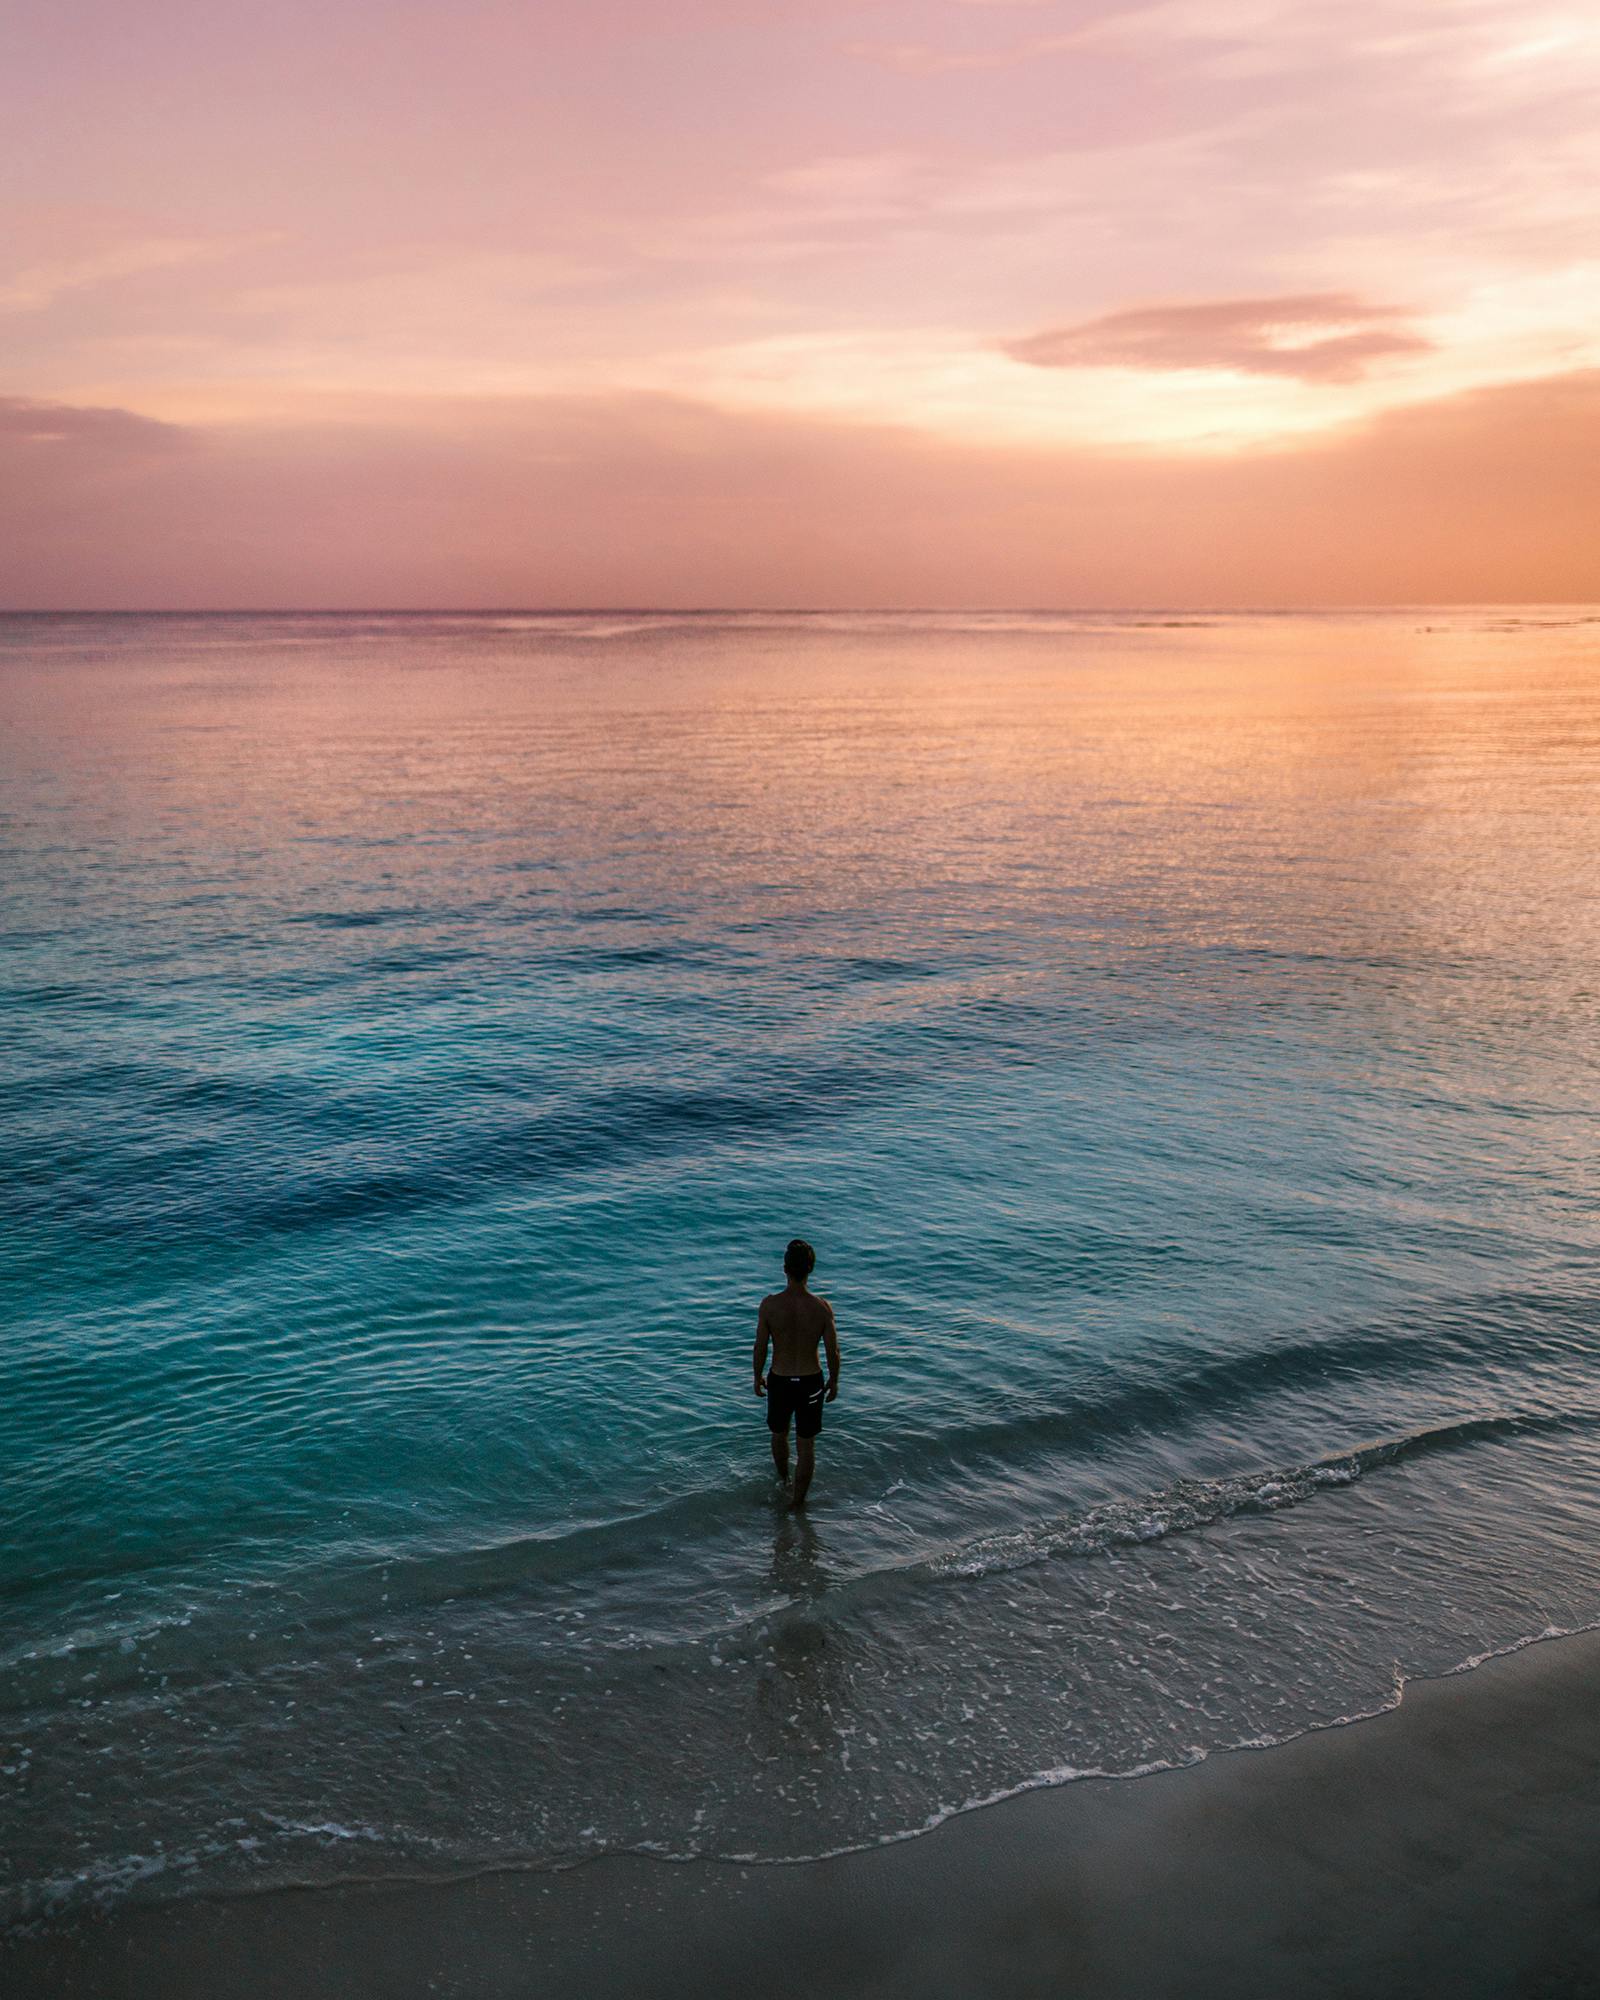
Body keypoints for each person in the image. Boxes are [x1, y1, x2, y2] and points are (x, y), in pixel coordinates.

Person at [753, 1239, 840, 1508]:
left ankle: (784, 1481)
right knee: (806, 1445)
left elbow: (760, 1346)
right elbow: (833, 1351)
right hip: (809, 1381)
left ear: (784, 1269)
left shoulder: (769, 1306)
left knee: (779, 1435)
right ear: (810, 1269)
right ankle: (797, 1503)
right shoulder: (821, 1308)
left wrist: (756, 1376)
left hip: (780, 1380)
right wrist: (834, 1381)